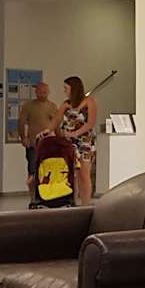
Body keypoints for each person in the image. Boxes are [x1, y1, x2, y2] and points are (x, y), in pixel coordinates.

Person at [18, 82, 61, 208]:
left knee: (48, 172)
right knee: (32, 172)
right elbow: (21, 122)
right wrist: (23, 137)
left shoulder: (52, 106)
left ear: (48, 92)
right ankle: (33, 199)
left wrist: (60, 140)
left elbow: (57, 125)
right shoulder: (28, 106)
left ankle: (48, 197)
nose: (42, 95)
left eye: (44, 92)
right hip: (33, 144)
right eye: (40, 92)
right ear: (36, 92)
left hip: (49, 145)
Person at [58, 75, 98, 206]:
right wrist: (48, 130)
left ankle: (85, 204)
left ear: (73, 88)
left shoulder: (89, 101)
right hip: (69, 142)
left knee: (84, 174)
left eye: (66, 88)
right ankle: (72, 203)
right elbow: (56, 120)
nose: (64, 90)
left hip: (85, 142)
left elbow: (90, 123)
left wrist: (74, 133)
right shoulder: (66, 104)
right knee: (70, 174)